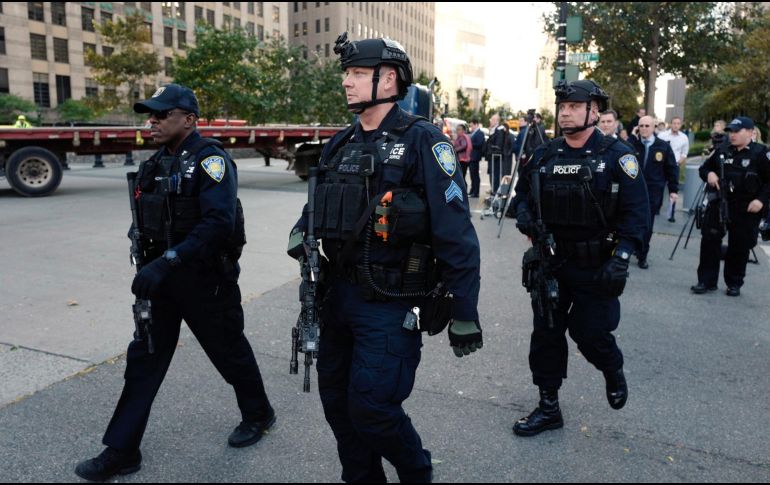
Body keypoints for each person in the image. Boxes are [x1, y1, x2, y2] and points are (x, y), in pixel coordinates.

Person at [287, 33, 482, 483]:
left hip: (390, 299)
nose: (347, 83)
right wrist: (301, 230)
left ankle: (416, 471)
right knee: (336, 403)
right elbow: (315, 205)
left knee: (373, 408)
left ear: (388, 78)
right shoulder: (340, 144)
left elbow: (457, 234)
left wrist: (465, 310)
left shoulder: (423, 141)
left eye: (357, 74)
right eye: (347, 74)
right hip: (336, 296)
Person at [75, 84, 274, 482]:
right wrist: (145, 261)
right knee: (143, 363)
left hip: (204, 282)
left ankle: (258, 414)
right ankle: (122, 450)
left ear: (189, 119)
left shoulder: (210, 160)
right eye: (151, 114)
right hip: (159, 285)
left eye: (162, 114)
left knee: (229, 353)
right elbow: (145, 220)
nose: (153, 121)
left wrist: (168, 263)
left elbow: (219, 223)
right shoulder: (154, 165)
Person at [511, 79, 649, 437]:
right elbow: (521, 197)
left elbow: (637, 214)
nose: (565, 112)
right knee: (546, 334)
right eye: (562, 107)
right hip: (551, 262)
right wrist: (525, 216)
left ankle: (611, 366)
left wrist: (622, 257)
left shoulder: (618, 156)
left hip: (597, 265)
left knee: (590, 333)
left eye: (573, 106)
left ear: (594, 111)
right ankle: (548, 406)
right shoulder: (545, 154)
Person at [691, 116, 770, 297]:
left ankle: (734, 283)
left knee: (739, 245)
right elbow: (704, 168)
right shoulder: (722, 150)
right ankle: (706, 280)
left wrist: (760, 200)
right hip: (720, 202)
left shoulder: (761, 154)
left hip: (746, 207)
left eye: (737, 131)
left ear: (750, 132)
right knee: (710, 241)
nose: (732, 135)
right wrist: (709, 174)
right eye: (731, 132)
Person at [629, 115, 679, 269]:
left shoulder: (663, 146)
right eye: (641, 126)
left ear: (653, 128)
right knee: (630, 222)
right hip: (633, 190)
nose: (644, 129)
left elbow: (672, 169)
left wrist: (673, 190)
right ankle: (631, 248)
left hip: (653, 192)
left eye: (647, 126)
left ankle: (642, 255)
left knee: (647, 225)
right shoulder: (632, 145)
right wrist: (632, 136)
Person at [658, 117, 690, 222]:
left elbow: (684, 153)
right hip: (661, 165)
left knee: (674, 189)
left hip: (674, 165)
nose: (676, 125)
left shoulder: (684, 137)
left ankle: (671, 213)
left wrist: (678, 162)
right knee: (659, 186)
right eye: (674, 123)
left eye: (678, 123)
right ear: (670, 124)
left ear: (681, 125)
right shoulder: (662, 136)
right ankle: (656, 208)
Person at [486, 113, 507, 193]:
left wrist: (492, 151)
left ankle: (495, 191)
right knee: (492, 174)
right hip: (491, 157)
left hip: (495, 157)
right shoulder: (493, 130)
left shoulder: (499, 131)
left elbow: (498, 145)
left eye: (492, 119)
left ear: (496, 121)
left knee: (495, 175)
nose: (490, 121)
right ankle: (493, 190)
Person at [468, 118, 485, 197]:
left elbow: (479, 143)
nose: (471, 127)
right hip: (472, 156)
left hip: (475, 157)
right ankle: (472, 190)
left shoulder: (480, 133)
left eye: (471, 125)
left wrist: (470, 143)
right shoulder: (473, 133)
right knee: (472, 175)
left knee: (475, 175)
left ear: (476, 124)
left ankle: (476, 192)